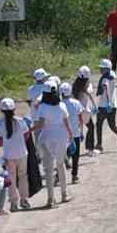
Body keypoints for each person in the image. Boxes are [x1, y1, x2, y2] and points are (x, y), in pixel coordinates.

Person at [31, 79, 74, 207]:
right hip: (61, 137)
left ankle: (50, 199)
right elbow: (66, 123)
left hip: (46, 137)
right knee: (60, 165)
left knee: (48, 169)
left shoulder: (43, 107)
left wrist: (29, 129)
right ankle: (64, 194)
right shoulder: (62, 105)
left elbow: (41, 124)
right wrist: (70, 135)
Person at [0, 99, 33, 212]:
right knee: (23, 176)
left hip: (9, 155)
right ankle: (24, 200)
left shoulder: (0, 123)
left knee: (12, 179)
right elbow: (27, 135)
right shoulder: (20, 121)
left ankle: (13, 203)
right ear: (14, 109)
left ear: (1, 110)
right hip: (22, 153)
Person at [94, 60, 117, 151]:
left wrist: (108, 102)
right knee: (112, 125)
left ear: (107, 69)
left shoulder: (105, 79)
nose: (100, 70)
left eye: (102, 68)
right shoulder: (113, 75)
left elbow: (106, 90)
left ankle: (99, 144)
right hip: (113, 105)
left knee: (99, 124)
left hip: (104, 105)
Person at [60, 82, 88, 183]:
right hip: (75, 133)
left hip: (63, 134)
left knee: (63, 155)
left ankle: (59, 176)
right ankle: (74, 176)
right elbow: (80, 119)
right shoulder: (76, 103)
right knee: (76, 155)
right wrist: (81, 132)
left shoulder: (59, 104)